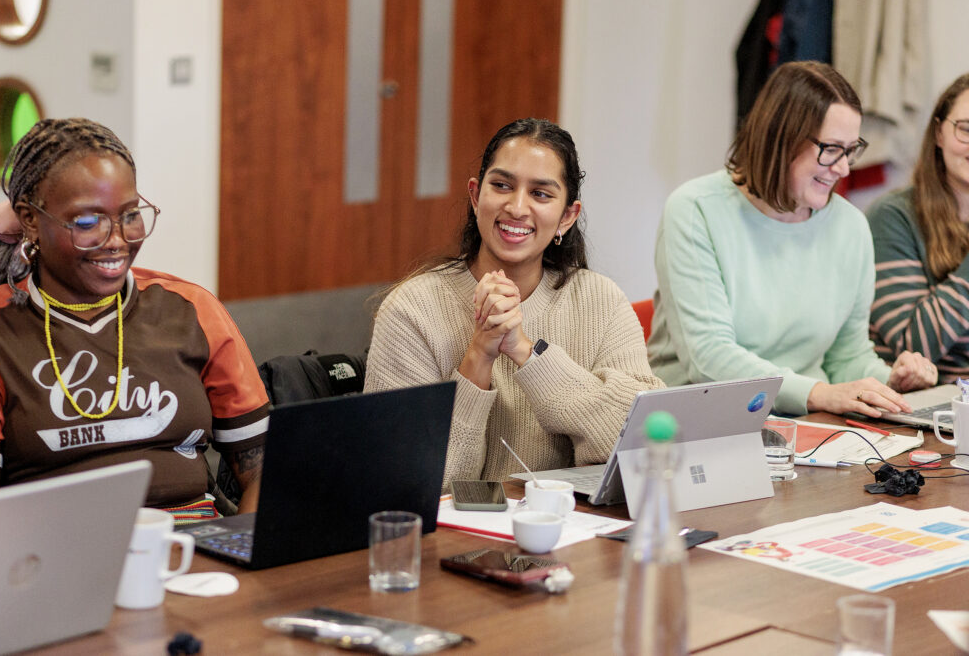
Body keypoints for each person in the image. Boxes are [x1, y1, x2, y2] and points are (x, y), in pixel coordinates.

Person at [0, 118, 269, 518]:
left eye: (130, 215)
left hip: (195, 549)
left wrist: (245, 553)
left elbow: (264, 473)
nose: (116, 240)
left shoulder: (191, 309)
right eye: (86, 222)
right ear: (30, 220)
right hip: (57, 562)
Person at [364, 118, 662, 489]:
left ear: (567, 216)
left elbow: (645, 445)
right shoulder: (412, 309)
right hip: (459, 544)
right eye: (502, 186)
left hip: (570, 538)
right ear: (476, 196)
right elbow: (405, 482)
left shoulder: (600, 300)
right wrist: (480, 354)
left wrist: (526, 351)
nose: (517, 208)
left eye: (540, 194)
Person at [647, 61, 937, 418]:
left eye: (851, 149)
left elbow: (847, 356)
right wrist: (819, 394)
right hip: (699, 424)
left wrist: (888, 384)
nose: (844, 168)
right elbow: (709, 360)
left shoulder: (851, 227)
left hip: (807, 424)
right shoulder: (695, 211)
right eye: (831, 149)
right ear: (780, 138)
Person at [866, 74, 969, 382]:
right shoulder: (893, 217)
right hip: (928, 405)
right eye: (965, 130)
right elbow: (911, 345)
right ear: (939, 133)